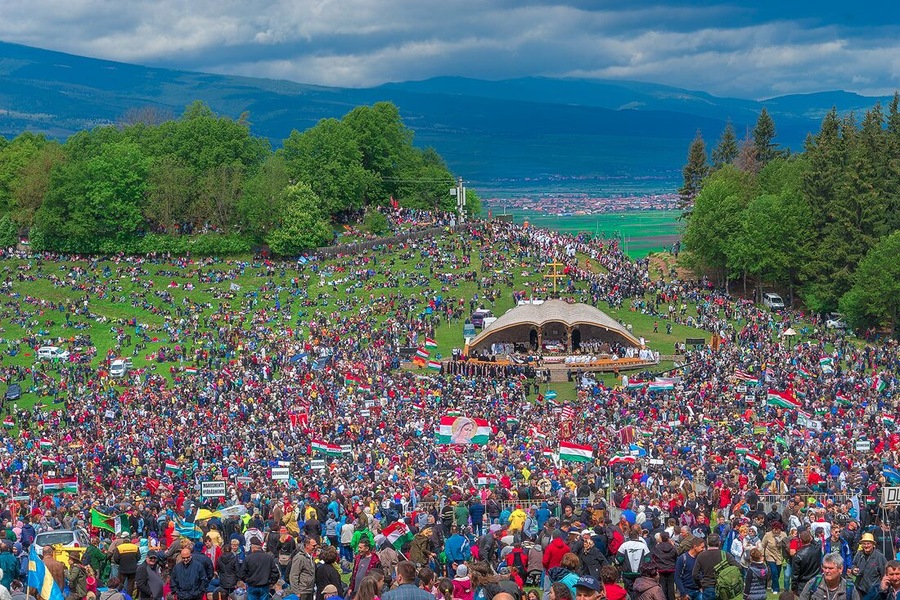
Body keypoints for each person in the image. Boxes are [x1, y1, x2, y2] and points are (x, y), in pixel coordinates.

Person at [692, 534, 738, 600]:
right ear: (719, 543)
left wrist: (700, 585)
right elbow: (738, 567)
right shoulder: (725, 555)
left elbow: (694, 574)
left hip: (708, 587)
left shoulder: (701, 556)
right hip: (723, 587)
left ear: (707, 543)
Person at [617, 526, 650, 598]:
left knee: (628, 593)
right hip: (640, 573)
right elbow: (648, 560)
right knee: (639, 592)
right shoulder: (643, 546)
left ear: (629, 536)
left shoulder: (624, 546)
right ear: (638, 536)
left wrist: (620, 565)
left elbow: (618, 560)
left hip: (627, 573)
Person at [853, 532, 887, 599]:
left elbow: (885, 574)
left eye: (868, 543)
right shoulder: (859, 554)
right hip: (860, 588)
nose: (866, 546)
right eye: (864, 544)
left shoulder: (880, 557)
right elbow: (853, 565)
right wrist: (853, 570)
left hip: (874, 591)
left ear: (873, 544)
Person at [792, 530, 823, 596]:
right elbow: (817, 544)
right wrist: (811, 539)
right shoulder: (817, 550)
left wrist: (794, 587)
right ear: (810, 538)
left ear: (800, 540)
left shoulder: (798, 555)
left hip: (803, 583)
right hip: (816, 580)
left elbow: (795, 574)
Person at [761, 521, 787, 594]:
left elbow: (786, 545)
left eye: (777, 529)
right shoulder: (768, 535)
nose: (775, 530)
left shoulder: (783, 535)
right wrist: (762, 555)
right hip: (770, 555)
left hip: (779, 555)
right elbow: (763, 545)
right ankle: (776, 589)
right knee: (774, 572)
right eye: (774, 529)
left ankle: (773, 585)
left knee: (778, 573)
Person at [650, 531, 677, 600]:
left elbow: (653, 558)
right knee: (671, 587)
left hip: (660, 569)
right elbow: (676, 556)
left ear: (661, 538)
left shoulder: (657, 547)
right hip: (671, 569)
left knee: (662, 586)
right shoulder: (673, 547)